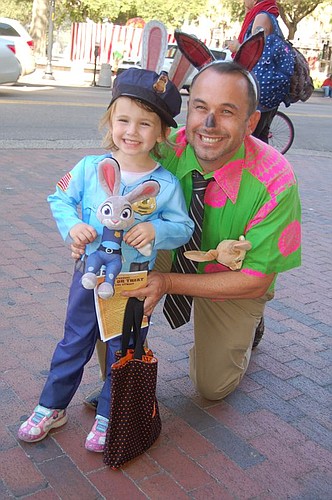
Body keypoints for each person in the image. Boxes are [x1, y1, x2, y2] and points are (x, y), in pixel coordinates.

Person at [17, 67, 194, 451]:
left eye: (145, 123)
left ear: (162, 133)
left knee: (123, 347)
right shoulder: (88, 167)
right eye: (123, 119)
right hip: (88, 276)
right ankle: (52, 405)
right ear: (109, 120)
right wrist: (73, 227)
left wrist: (157, 231)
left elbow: (183, 226)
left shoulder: (165, 184)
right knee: (73, 342)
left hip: (132, 284)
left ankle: (108, 413)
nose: (132, 131)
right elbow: (59, 198)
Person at [121, 61, 301, 402]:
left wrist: (169, 283)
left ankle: (248, 330)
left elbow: (256, 279)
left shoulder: (276, 180)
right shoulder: (159, 150)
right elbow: (110, 198)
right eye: (200, 107)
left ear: (251, 122)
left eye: (227, 111)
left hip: (232, 279)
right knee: (111, 278)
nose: (208, 124)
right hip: (163, 248)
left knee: (212, 387)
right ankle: (117, 377)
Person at [227, 0, 287, 143]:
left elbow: (254, 50)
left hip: (258, 88)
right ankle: (268, 165)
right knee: (260, 139)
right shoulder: (269, 16)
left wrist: (237, 47)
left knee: (248, 140)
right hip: (267, 88)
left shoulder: (262, 17)